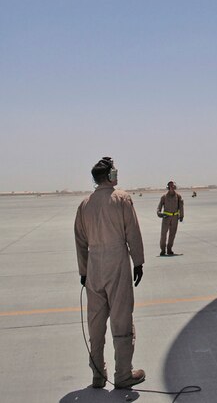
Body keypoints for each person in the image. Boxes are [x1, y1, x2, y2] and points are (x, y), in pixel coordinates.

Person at [74, 156, 146, 390]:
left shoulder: (85, 204)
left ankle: (97, 375)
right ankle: (123, 374)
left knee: (95, 322)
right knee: (121, 319)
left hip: (94, 265)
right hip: (116, 263)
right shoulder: (121, 199)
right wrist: (138, 261)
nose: (117, 174)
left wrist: (84, 271)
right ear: (108, 176)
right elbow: (132, 232)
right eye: (114, 171)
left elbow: (80, 240)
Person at [157, 180, 184, 255]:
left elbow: (181, 206)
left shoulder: (178, 196)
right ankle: (163, 250)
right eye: (171, 186)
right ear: (168, 187)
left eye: (173, 186)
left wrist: (181, 216)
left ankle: (169, 249)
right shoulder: (164, 197)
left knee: (172, 234)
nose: (172, 187)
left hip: (175, 218)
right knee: (163, 234)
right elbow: (159, 207)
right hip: (166, 218)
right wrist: (159, 213)